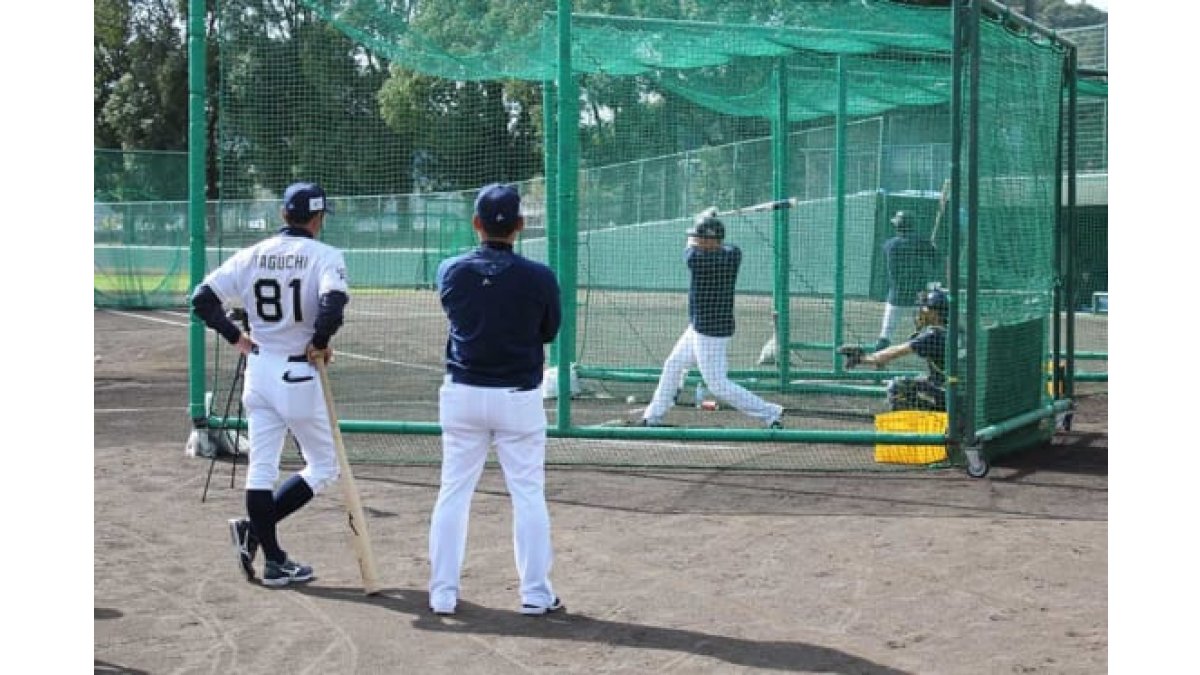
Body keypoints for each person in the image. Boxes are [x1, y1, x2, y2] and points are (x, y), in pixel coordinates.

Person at [190, 181, 350, 587]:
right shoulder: (325, 255)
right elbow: (333, 305)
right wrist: (319, 342)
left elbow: (202, 299)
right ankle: (256, 536)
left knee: (261, 468)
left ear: (284, 214)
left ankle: (273, 558)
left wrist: (235, 337)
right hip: (299, 373)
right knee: (324, 466)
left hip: (259, 369)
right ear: (318, 218)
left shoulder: (252, 254)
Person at [428, 183, 564, 617]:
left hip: (463, 394)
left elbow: (455, 309)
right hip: (517, 398)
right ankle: (535, 594)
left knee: (453, 492)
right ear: (520, 225)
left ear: (476, 223)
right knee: (528, 494)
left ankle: (442, 593)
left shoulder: (451, 270)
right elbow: (549, 331)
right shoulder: (539, 276)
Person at [639, 210, 784, 429]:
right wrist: (705, 224)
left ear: (710, 241)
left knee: (717, 384)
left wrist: (702, 220)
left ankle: (770, 412)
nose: (695, 241)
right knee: (673, 364)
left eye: (700, 238)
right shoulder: (732, 255)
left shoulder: (698, 260)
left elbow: (689, 250)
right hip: (702, 326)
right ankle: (653, 416)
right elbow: (727, 246)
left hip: (709, 331)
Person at [852, 286, 950, 412]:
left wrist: (862, 359)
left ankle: (937, 419)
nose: (921, 312)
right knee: (924, 379)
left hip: (948, 395)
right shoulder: (957, 330)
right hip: (964, 394)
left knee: (898, 386)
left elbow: (894, 352)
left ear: (934, 312)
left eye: (925, 308)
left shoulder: (933, 335)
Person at [876, 210, 940, 352]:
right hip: (918, 297)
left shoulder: (890, 244)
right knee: (929, 333)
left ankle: (877, 359)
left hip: (896, 296)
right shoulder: (922, 242)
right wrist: (932, 248)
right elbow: (936, 261)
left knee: (886, 333)